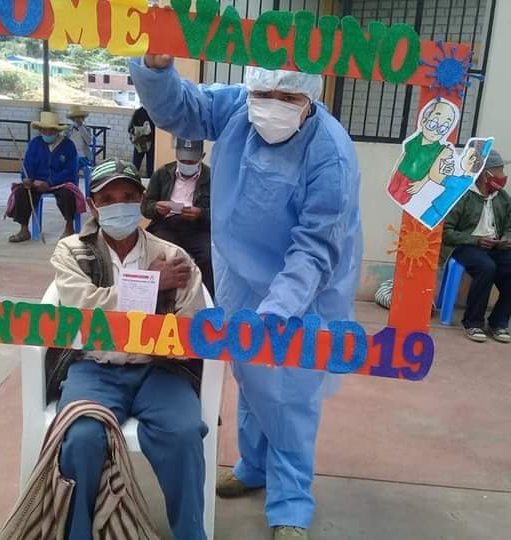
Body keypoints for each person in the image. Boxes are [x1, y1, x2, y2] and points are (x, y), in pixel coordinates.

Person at [131, 56, 362, 540]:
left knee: (290, 394)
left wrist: (276, 311)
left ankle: (291, 505)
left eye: (288, 97)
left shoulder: (331, 155)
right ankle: (253, 466)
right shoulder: (238, 107)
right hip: (240, 276)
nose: (273, 106)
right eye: (263, 94)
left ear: (312, 97)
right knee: (251, 373)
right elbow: (179, 108)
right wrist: (154, 70)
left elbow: (315, 247)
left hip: (305, 289)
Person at [50, 158, 208, 540]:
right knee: (82, 437)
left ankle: (191, 534)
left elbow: (188, 323)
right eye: (107, 199)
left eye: (127, 196)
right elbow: (83, 310)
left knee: (185, 432)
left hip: (159, 370)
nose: (117, 205)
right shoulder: (71, 251)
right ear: (93, 206)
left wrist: (148, 321)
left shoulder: (173, 256)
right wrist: (150, 284)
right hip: (95, 367)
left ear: (140, 202)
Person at [441, 149, 511, 343]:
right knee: (486, 267)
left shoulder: (504, 198)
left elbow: (510, 228)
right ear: (484, 174)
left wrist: (508, 239)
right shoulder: (463, 196)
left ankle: (498, 322)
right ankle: (473, 322)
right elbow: (447, 232)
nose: (503, 176)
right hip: (466, 245)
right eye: (499, 170)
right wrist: (475, 240)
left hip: (495, 246)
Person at [142, 138, 213, 294]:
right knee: (162, 253)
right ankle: (163, 298)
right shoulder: (162, 173)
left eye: (191, 161)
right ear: (176, 155)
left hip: (198, 228)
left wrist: (201, 213)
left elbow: (220, 214)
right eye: (183, 160)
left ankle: (204, 297)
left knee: (209, 256)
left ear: (202, 156)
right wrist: (157, 208)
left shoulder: (211, 178)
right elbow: (145, 207)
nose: (187, 164)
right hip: (166, 225)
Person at [6, 111, 83, 242]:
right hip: (36, 182)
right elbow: (27, 165)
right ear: (40, 130)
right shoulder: (35, 143)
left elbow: (70, 171)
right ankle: (24, 229)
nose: (47, 133)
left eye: (51, 130)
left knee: (68, 195)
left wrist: (49, 182)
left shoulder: (68, 145)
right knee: (21, 192)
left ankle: (69, 227)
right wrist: (28, 179)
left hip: (60, 183)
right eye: (44, 130)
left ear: (57, 131)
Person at [388, 99, 459, 205]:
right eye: (433, 124)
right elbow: (404, 155)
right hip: (400, 172)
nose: (436, 131)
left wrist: (421, 183)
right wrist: (393, 173)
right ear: (424, 121)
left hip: (413, 181)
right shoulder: (416, 139)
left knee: (401, 200)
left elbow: (433, 170)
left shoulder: (440, 149)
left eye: (443, 128)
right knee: (390, 193)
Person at [420, 138, 491, 228]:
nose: (462, 157)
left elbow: (434, 175)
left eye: (465, 155)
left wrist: (440, 156)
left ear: (472, 160)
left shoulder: (459, 183)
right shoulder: (467, 182)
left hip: (436, 214)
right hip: (444, 217)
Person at [128, 106, 155, 177]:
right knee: (150, 167)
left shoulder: (138, 112)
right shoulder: (154, 113)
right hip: (151, 142)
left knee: (135, 166)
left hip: (139, 142)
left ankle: (132, 180)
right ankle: (150, 181)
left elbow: (130, 128)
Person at [65, 104, 93, 169]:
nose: (78, 119)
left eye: (80, 117)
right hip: (71, 156)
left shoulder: (87, 129)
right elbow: (64, 142)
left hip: (84, 157)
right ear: (73, 119)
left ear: (83, 118)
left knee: (76, 163)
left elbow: (89, 142)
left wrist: (81, 127)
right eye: (76, 118)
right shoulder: (68, 129)